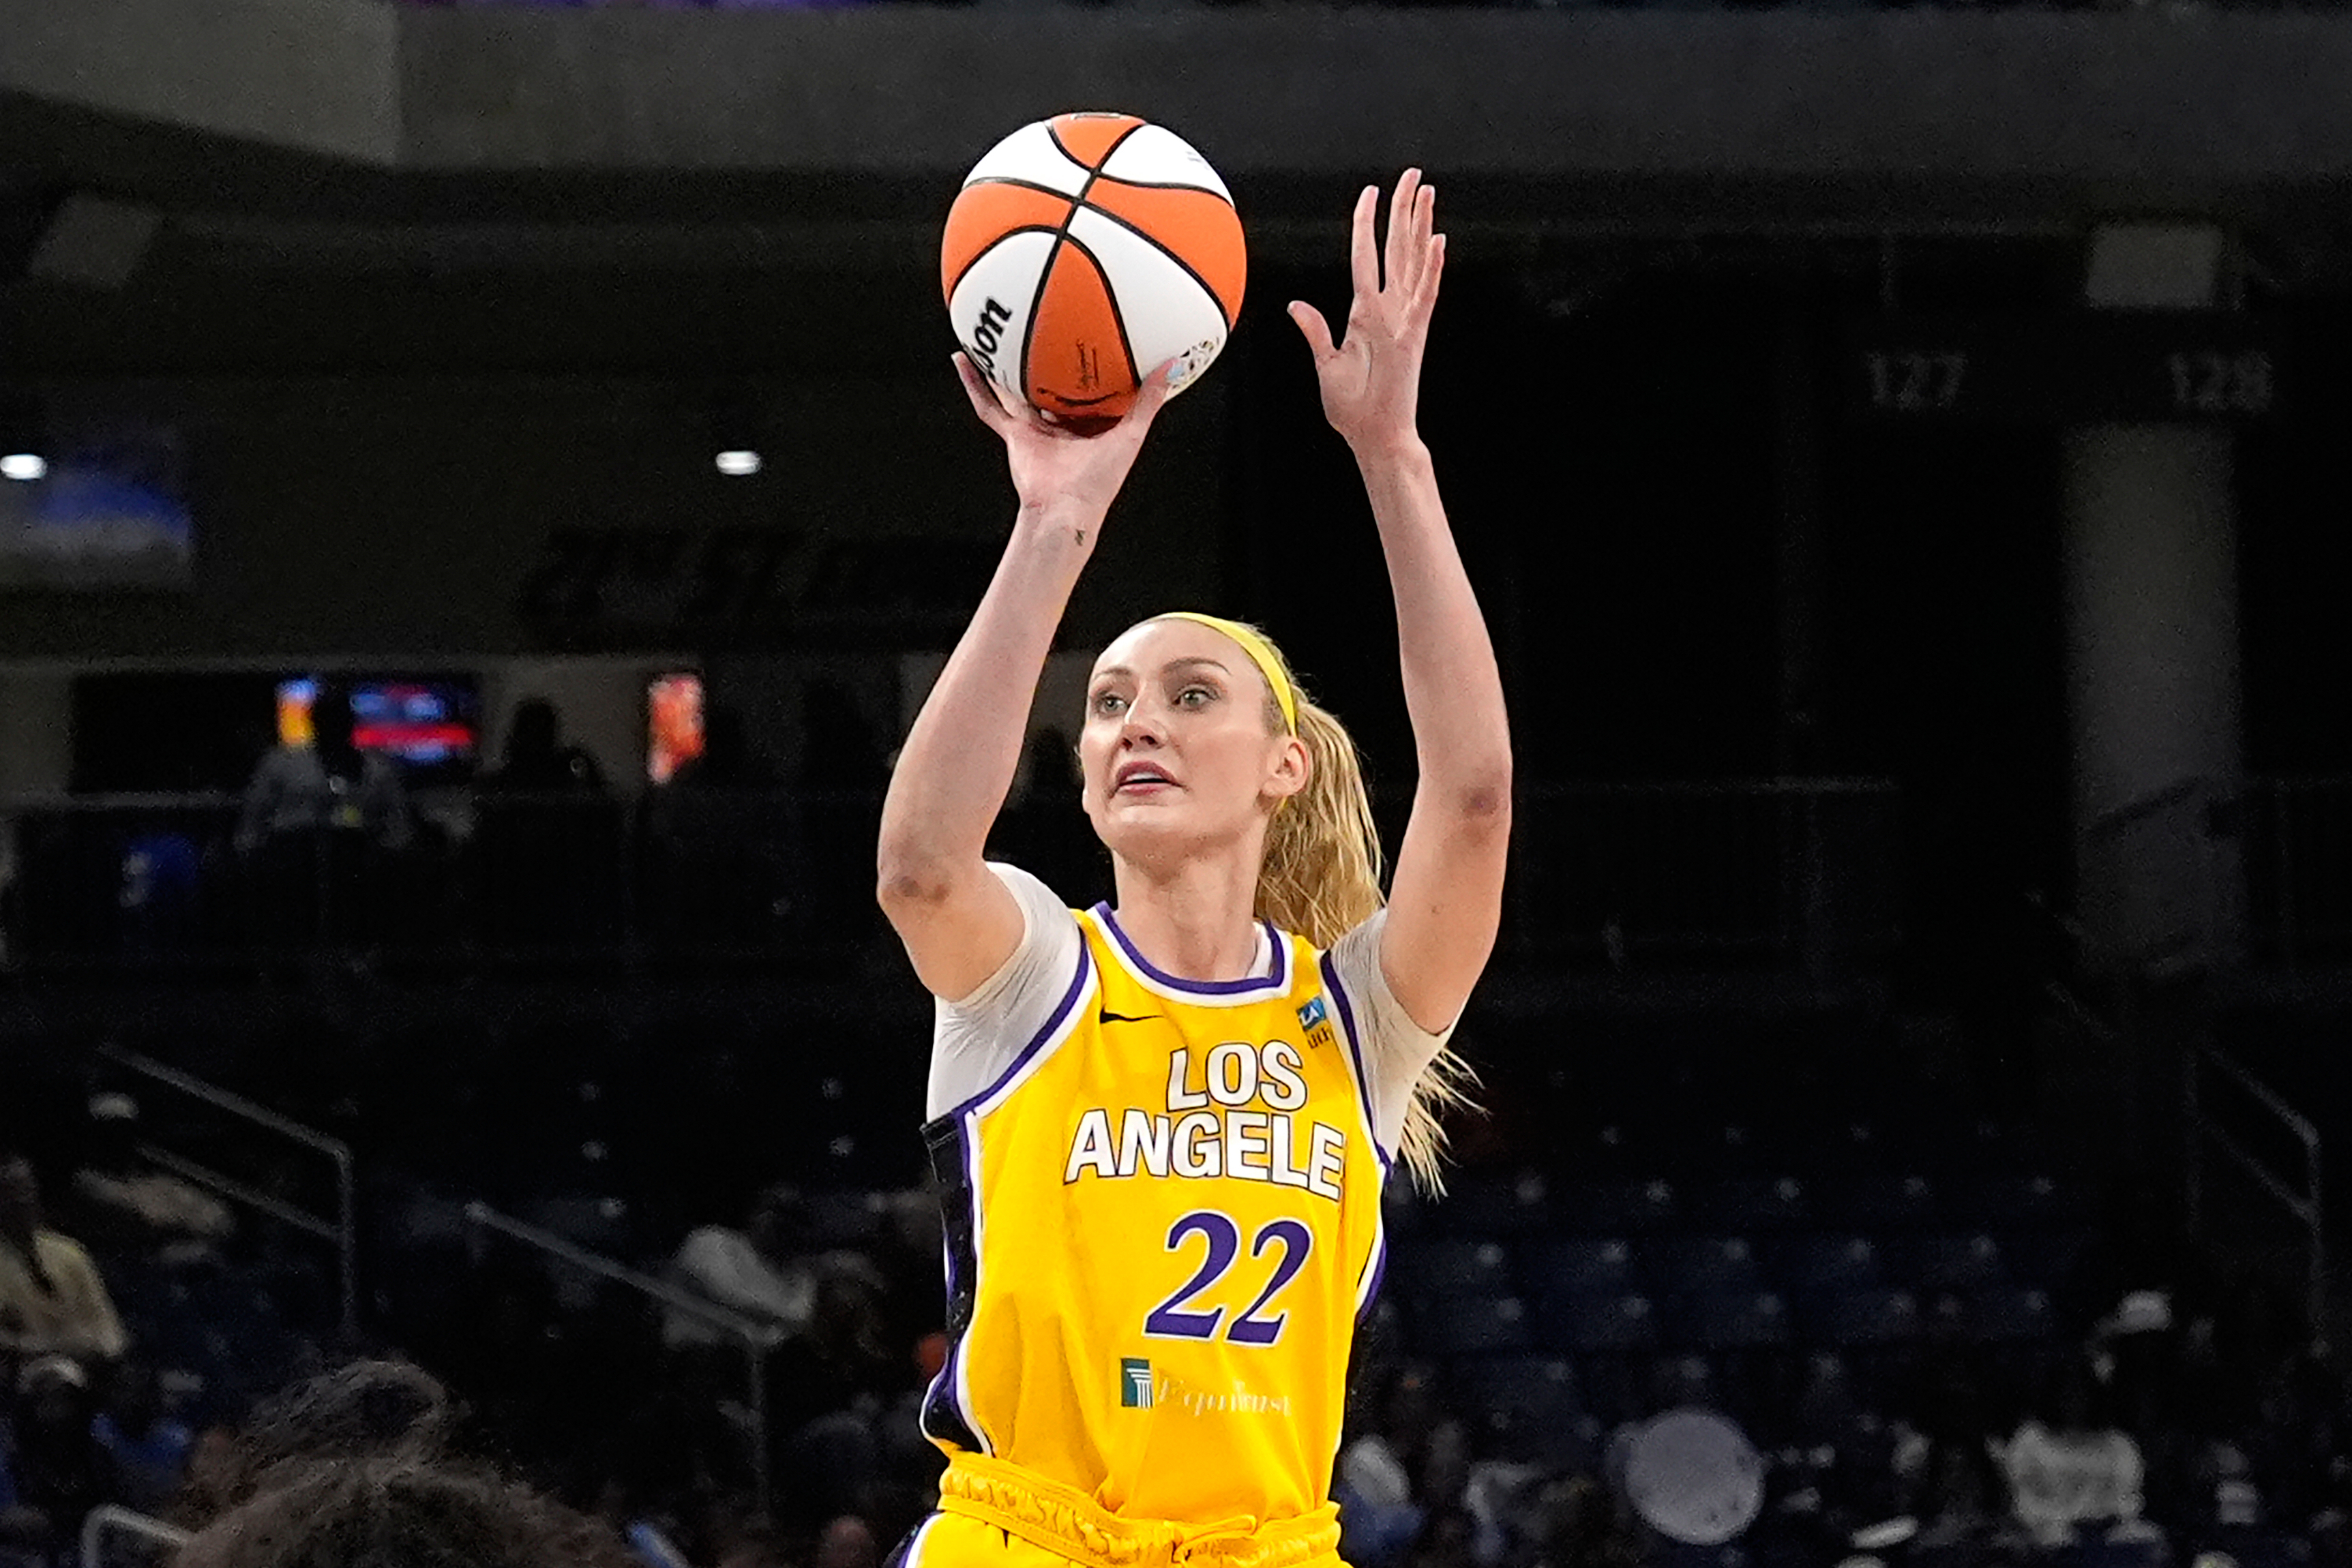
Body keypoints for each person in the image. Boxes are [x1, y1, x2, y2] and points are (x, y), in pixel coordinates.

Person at [876, 172, 1508, 1568]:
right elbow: (921, 868)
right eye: (1104, 703)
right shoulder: (1035, 971)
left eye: (1187, 694)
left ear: (1283, 766)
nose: (1134, 722)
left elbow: (1468, 802)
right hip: (1023, 1537)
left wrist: (1391, 457)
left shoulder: (1354, 1019)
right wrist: (1054, 522)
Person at [0, 1151, 128, 1370]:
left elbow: (107, 1328)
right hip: (25, 1371)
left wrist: (98, 1348)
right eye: (12, 1193)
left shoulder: (70, 1253)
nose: (23, 1200)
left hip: (88, 1364)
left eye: (27, 1190)